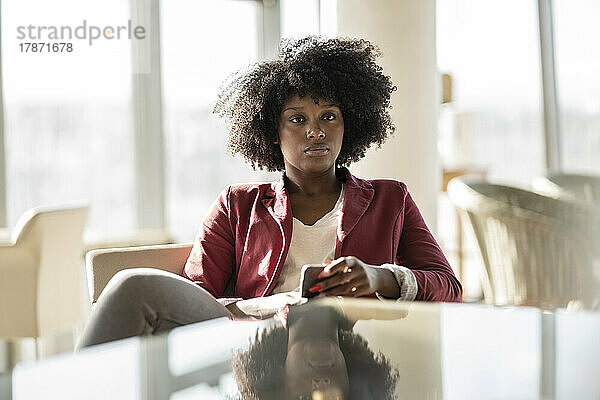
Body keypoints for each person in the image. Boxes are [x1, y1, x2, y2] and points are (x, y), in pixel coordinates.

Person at [77, 36, 461, 349]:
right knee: (133, 285)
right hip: (257, 348)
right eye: (297, 119)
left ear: (350, 125)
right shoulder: (236, 204)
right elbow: (198, 300)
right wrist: (273, 306)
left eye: (329, 116)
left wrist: (380, 278)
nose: (316, 131)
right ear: (272, 133)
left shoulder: (390, 200)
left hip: (358, 352)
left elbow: (450, 287)